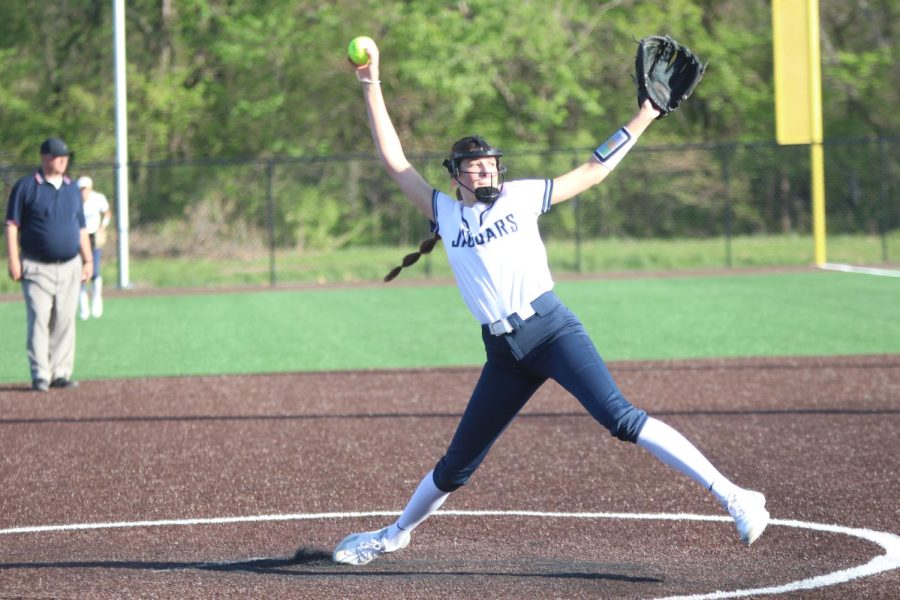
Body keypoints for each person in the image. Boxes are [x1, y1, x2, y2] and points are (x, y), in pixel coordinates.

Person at [333, 40, 770, 566]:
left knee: (622, 419)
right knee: (456, 466)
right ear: (456, 175)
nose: (485, 172)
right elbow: (394, 160)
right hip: (503, 353)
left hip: (551, 330)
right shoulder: (444, 213)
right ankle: (396, 533)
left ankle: (735, 496)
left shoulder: (519, 196)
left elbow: (593, 169)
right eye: (473, 167)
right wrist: (370, 81)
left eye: (490, 164)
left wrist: (645, 115)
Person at [5, 137, 93, 392]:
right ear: (44, 157)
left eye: (65, 156)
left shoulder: (71, 189)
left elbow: (81, 228)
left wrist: (87, 259)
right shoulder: (26, 187)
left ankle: (60, 373)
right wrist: (13, 259)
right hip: (36, 266)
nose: (63, 159)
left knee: (65, 319)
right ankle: (40, 374)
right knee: (40, 319)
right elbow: (12, 225)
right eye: (57, 155)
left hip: (69, 265)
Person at [76, 175, 112, 319]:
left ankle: (97, 299)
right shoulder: (75, 200)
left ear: (90, 188)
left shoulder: (98, 198)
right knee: (80, 273)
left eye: (85, 189)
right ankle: (83, 306)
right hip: (79, 238)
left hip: (93, 236)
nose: (83, 192)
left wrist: (103, 226)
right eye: (81, 189)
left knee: (95, 270)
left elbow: (107, 212)